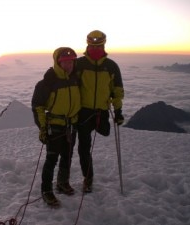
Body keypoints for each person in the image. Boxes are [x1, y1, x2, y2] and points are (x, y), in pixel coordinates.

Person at [76, 30, 124, 193]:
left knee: (103, 133)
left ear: (103, 44)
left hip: (100, 112)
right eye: (92, 45)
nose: (95, 48)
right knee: (83, 147)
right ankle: (88, 179)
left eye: (98, 45)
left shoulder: (111, 66)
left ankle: (87, 179)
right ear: (88, 44)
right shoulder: (80, 64)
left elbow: (117, 90)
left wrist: (118, 111)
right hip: (83, 112)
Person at [31, 47, 80, 207]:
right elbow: (38, 106)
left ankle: (62, 182)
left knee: (67, 156)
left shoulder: (75, 79)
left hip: (71, 125)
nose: (69, 65)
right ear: (58, 63)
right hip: (55, 126)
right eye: (65, 62)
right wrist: (43, 128)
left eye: (71, 61)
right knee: (51, 159)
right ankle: (46, 190)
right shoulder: (48, 82)